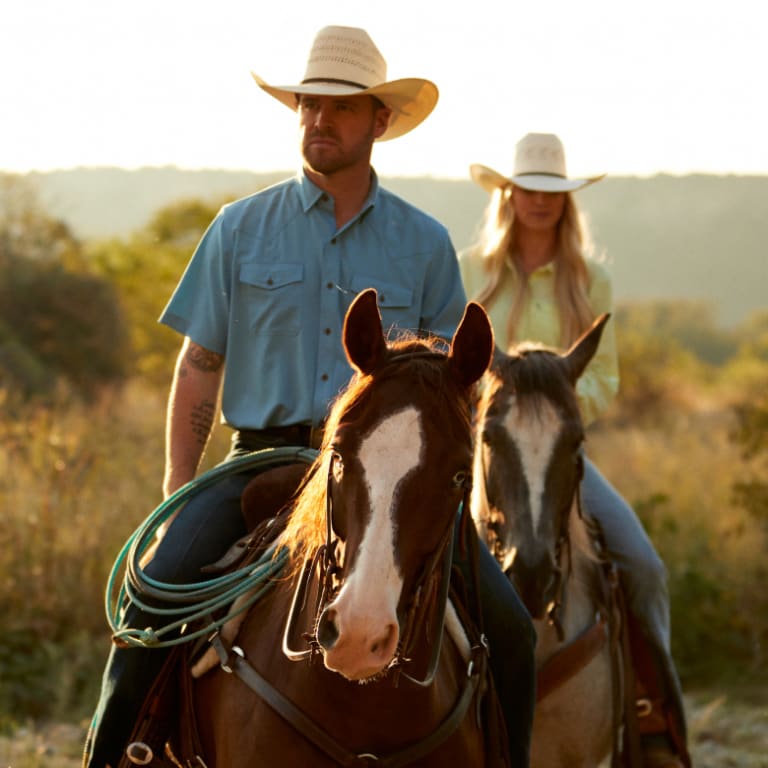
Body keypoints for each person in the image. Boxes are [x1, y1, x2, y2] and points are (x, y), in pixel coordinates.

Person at [83, 25, 535, 768]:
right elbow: (198, 364)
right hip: (255, 461)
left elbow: (458, 384)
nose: (319, 121)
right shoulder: (239, 228)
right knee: (150, 598)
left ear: (378, 122)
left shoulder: (422, 244)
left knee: (512, 630)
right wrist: (176, 484)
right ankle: (111, 758)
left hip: (389, 478)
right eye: (308, 106)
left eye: (342, 108)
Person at [459, 132, 691, 768]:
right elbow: (456, 366)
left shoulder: (592, 280)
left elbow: (606, 379)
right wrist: (504, 413)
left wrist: (553, 409)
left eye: (552, 193)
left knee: (642, 566)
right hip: (488, 455)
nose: (540, 202)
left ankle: (653, 716)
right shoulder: (470, 273)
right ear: (508, 195)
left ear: (567, 202)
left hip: (560, 458)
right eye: (529, 189)